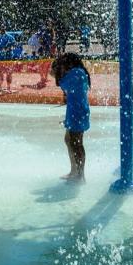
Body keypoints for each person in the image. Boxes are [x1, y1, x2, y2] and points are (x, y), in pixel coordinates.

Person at [52, 52, 91, 183]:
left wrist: (56, 72)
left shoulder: (77, 73)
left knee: (76, 142)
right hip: (75, 111)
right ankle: (74, 171)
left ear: (69, 63)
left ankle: (80, 175)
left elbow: (62, 83)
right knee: (69, 139)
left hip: (78, 112)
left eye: (63, 64)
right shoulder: (78, 72)